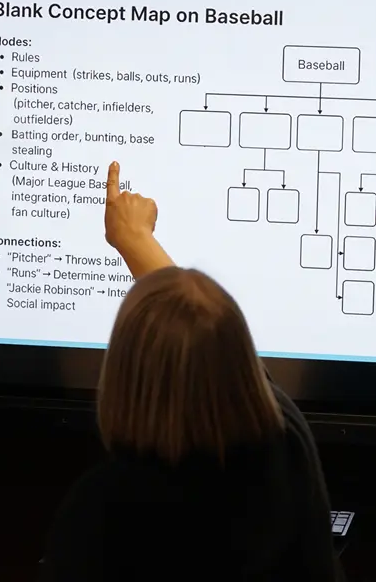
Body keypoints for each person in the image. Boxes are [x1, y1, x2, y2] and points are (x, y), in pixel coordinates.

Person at [37, 162, 340, 582]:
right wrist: (136, 240)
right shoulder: (285, 448)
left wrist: (131, 239)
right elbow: (221, 357)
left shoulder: (105, 508)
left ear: (121, 381)